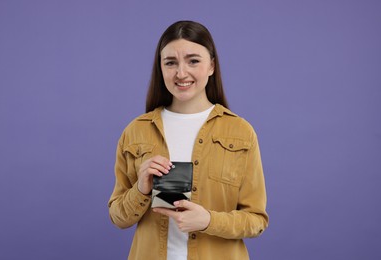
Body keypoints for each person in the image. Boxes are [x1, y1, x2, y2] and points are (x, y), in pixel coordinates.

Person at [108, 20, 268, 260]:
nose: (181, 73)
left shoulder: (240, 132)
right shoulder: (135, 132)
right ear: (160, 69)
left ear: (211, 66)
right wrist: (141, 189)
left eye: (193, 61)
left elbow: (256, 220)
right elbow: (118, 218)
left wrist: (208, 221)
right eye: (170, 63)